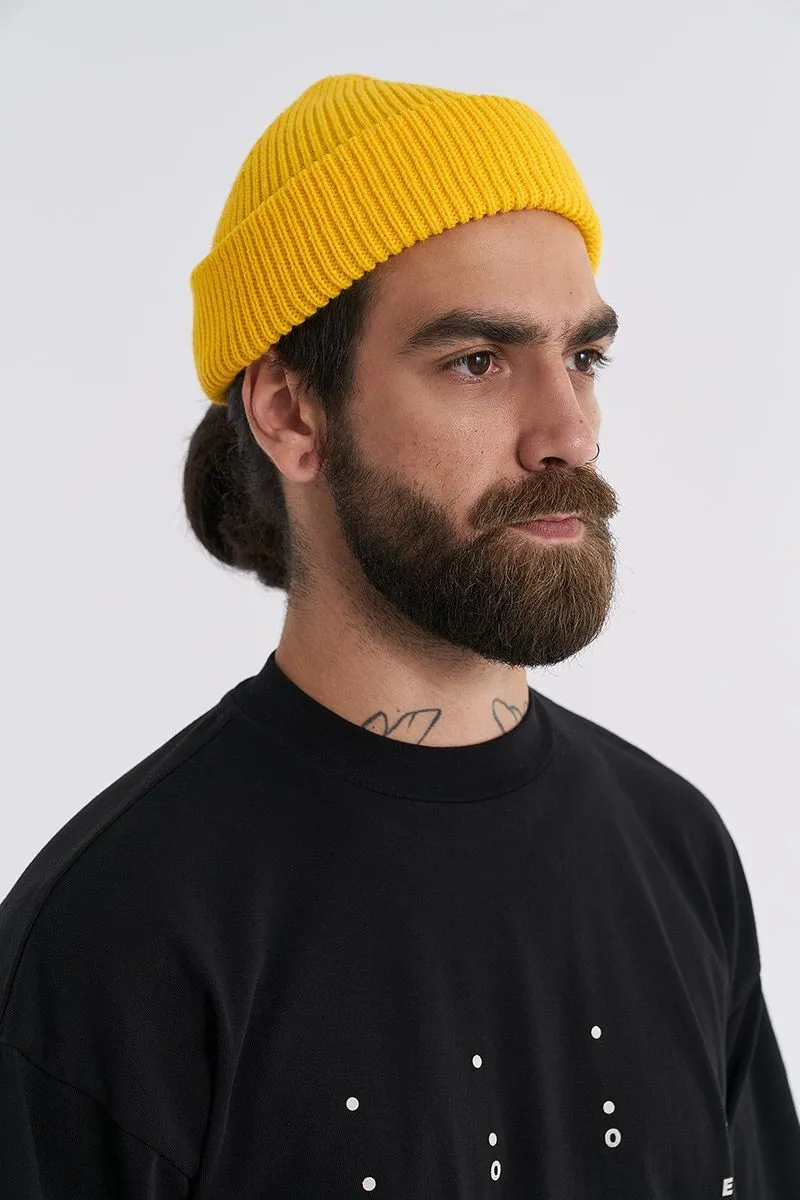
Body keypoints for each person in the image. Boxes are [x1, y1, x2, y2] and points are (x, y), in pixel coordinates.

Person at [1, 72, 798, 1199]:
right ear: (290, 414)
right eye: (477, 361)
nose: (569, 433)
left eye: (583, 357)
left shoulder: (679, 853)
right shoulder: (116, 937)